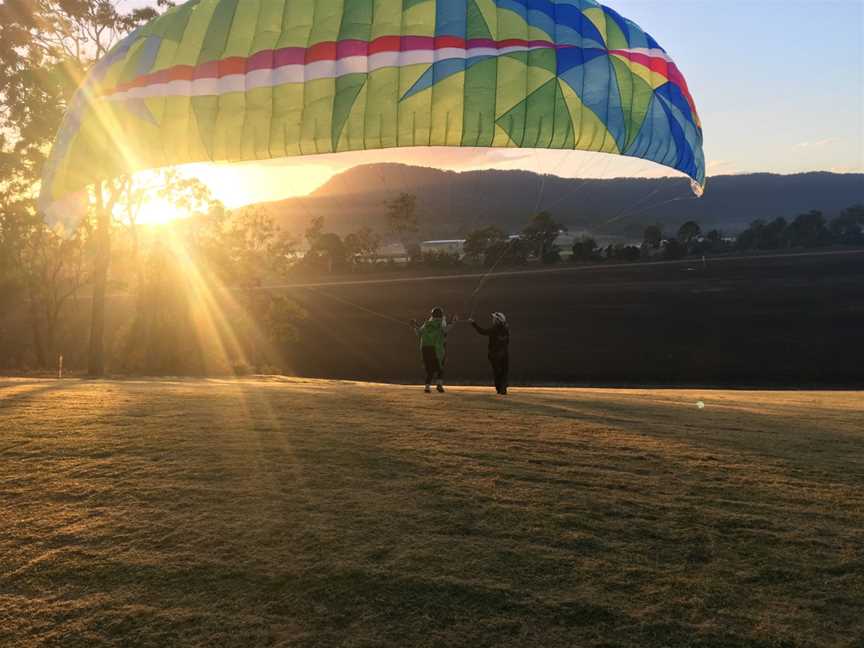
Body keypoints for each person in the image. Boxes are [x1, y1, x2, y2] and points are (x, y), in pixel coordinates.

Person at [411, 307, 456, 393]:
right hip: (437, 348)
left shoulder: (427, 323)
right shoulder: (441, 321)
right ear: (441, 315)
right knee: (440, 367)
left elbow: (418, 333)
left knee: (429, 369)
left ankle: (427, 387)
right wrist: (453, 322)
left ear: (432, 314)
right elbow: (446, 330)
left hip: (425, 348)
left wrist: (415, 325)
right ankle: (439, 385)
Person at [470, 312, 510, 395]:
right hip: (504, 354)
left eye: (494, 318)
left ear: (497, 320)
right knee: (504, 371)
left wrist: (473, 323)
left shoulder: (494, 329)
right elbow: (507, 342)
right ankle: (502, 387)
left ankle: (499, 388)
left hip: (494, 354)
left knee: (497, 371)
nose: (493, 320)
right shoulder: (506, 329)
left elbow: (482, 331)